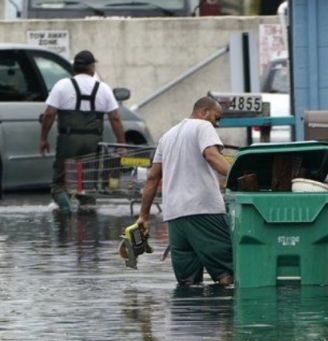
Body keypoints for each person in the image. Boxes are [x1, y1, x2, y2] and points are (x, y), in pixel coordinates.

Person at [135, 96, 234, 286]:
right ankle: (225, 315)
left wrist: (144, 217)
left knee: (188, 283)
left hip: (175, 218)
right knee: (227, 275)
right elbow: (212, 156)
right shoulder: (202, 127)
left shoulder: (167, 136)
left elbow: (152, 178)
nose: (217, 124)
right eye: (216, 117)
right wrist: (239, 178)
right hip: (204, 212)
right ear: (204, 112)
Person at [40, 50, 126, 210]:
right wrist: (121, 143)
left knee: (59, 183)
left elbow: (49, 114)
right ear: (92, 68)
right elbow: (115, 118)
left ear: (75, 68)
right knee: (87, 183)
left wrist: (43, 138)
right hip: (92, 142)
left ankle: (65, 211)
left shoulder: (62, 86)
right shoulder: (103, 88)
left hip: (68, 140)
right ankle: (87, 214)